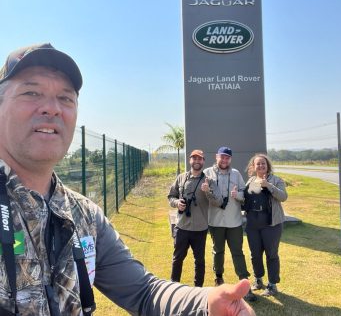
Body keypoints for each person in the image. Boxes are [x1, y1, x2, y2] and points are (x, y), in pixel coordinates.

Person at [0, 43, 256, 316]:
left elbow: (144, 291)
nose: (52, 108)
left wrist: (205, 302)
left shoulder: (83, 215)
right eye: (32, 92)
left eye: (66, 98)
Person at [204, 146, 256, 302]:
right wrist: (205, 190)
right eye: (222, 157)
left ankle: (244, 284)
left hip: (234, 221)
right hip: (215, 220)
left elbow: (244, 194)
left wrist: (237, 195)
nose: (224, 160)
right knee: (218, 251)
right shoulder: (207, 173)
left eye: (227, 157)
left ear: (230, 159)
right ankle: (219, 278)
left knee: (237, 251)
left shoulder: (236, 174)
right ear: (216, 157)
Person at [168, 149, 221, 287]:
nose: (197, 161)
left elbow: (218, 202)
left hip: (200, 228)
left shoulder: (209, 181)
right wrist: (176, 203)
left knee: (199, 261)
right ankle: (174, 286)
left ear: (203, 161)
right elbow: (171, 196)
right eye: (194, 158)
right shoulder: (181, 178)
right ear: (190, 160)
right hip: (182, 227)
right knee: (177, 258)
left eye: (200, 159)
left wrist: (207, 191)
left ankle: (198, 289)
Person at [243, 153, 288, 297]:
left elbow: (283, 197)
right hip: (253, 224)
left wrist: (268, 185)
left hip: (271, 224)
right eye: (258, 164)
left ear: (267, 165)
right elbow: (245, 200)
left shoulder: (276, 180)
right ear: (253, 167)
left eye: (263, 163)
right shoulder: (250, 181)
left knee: (271, 254)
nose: (261, 166)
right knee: (255, 254)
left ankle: (273, 285)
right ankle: (258, 280)